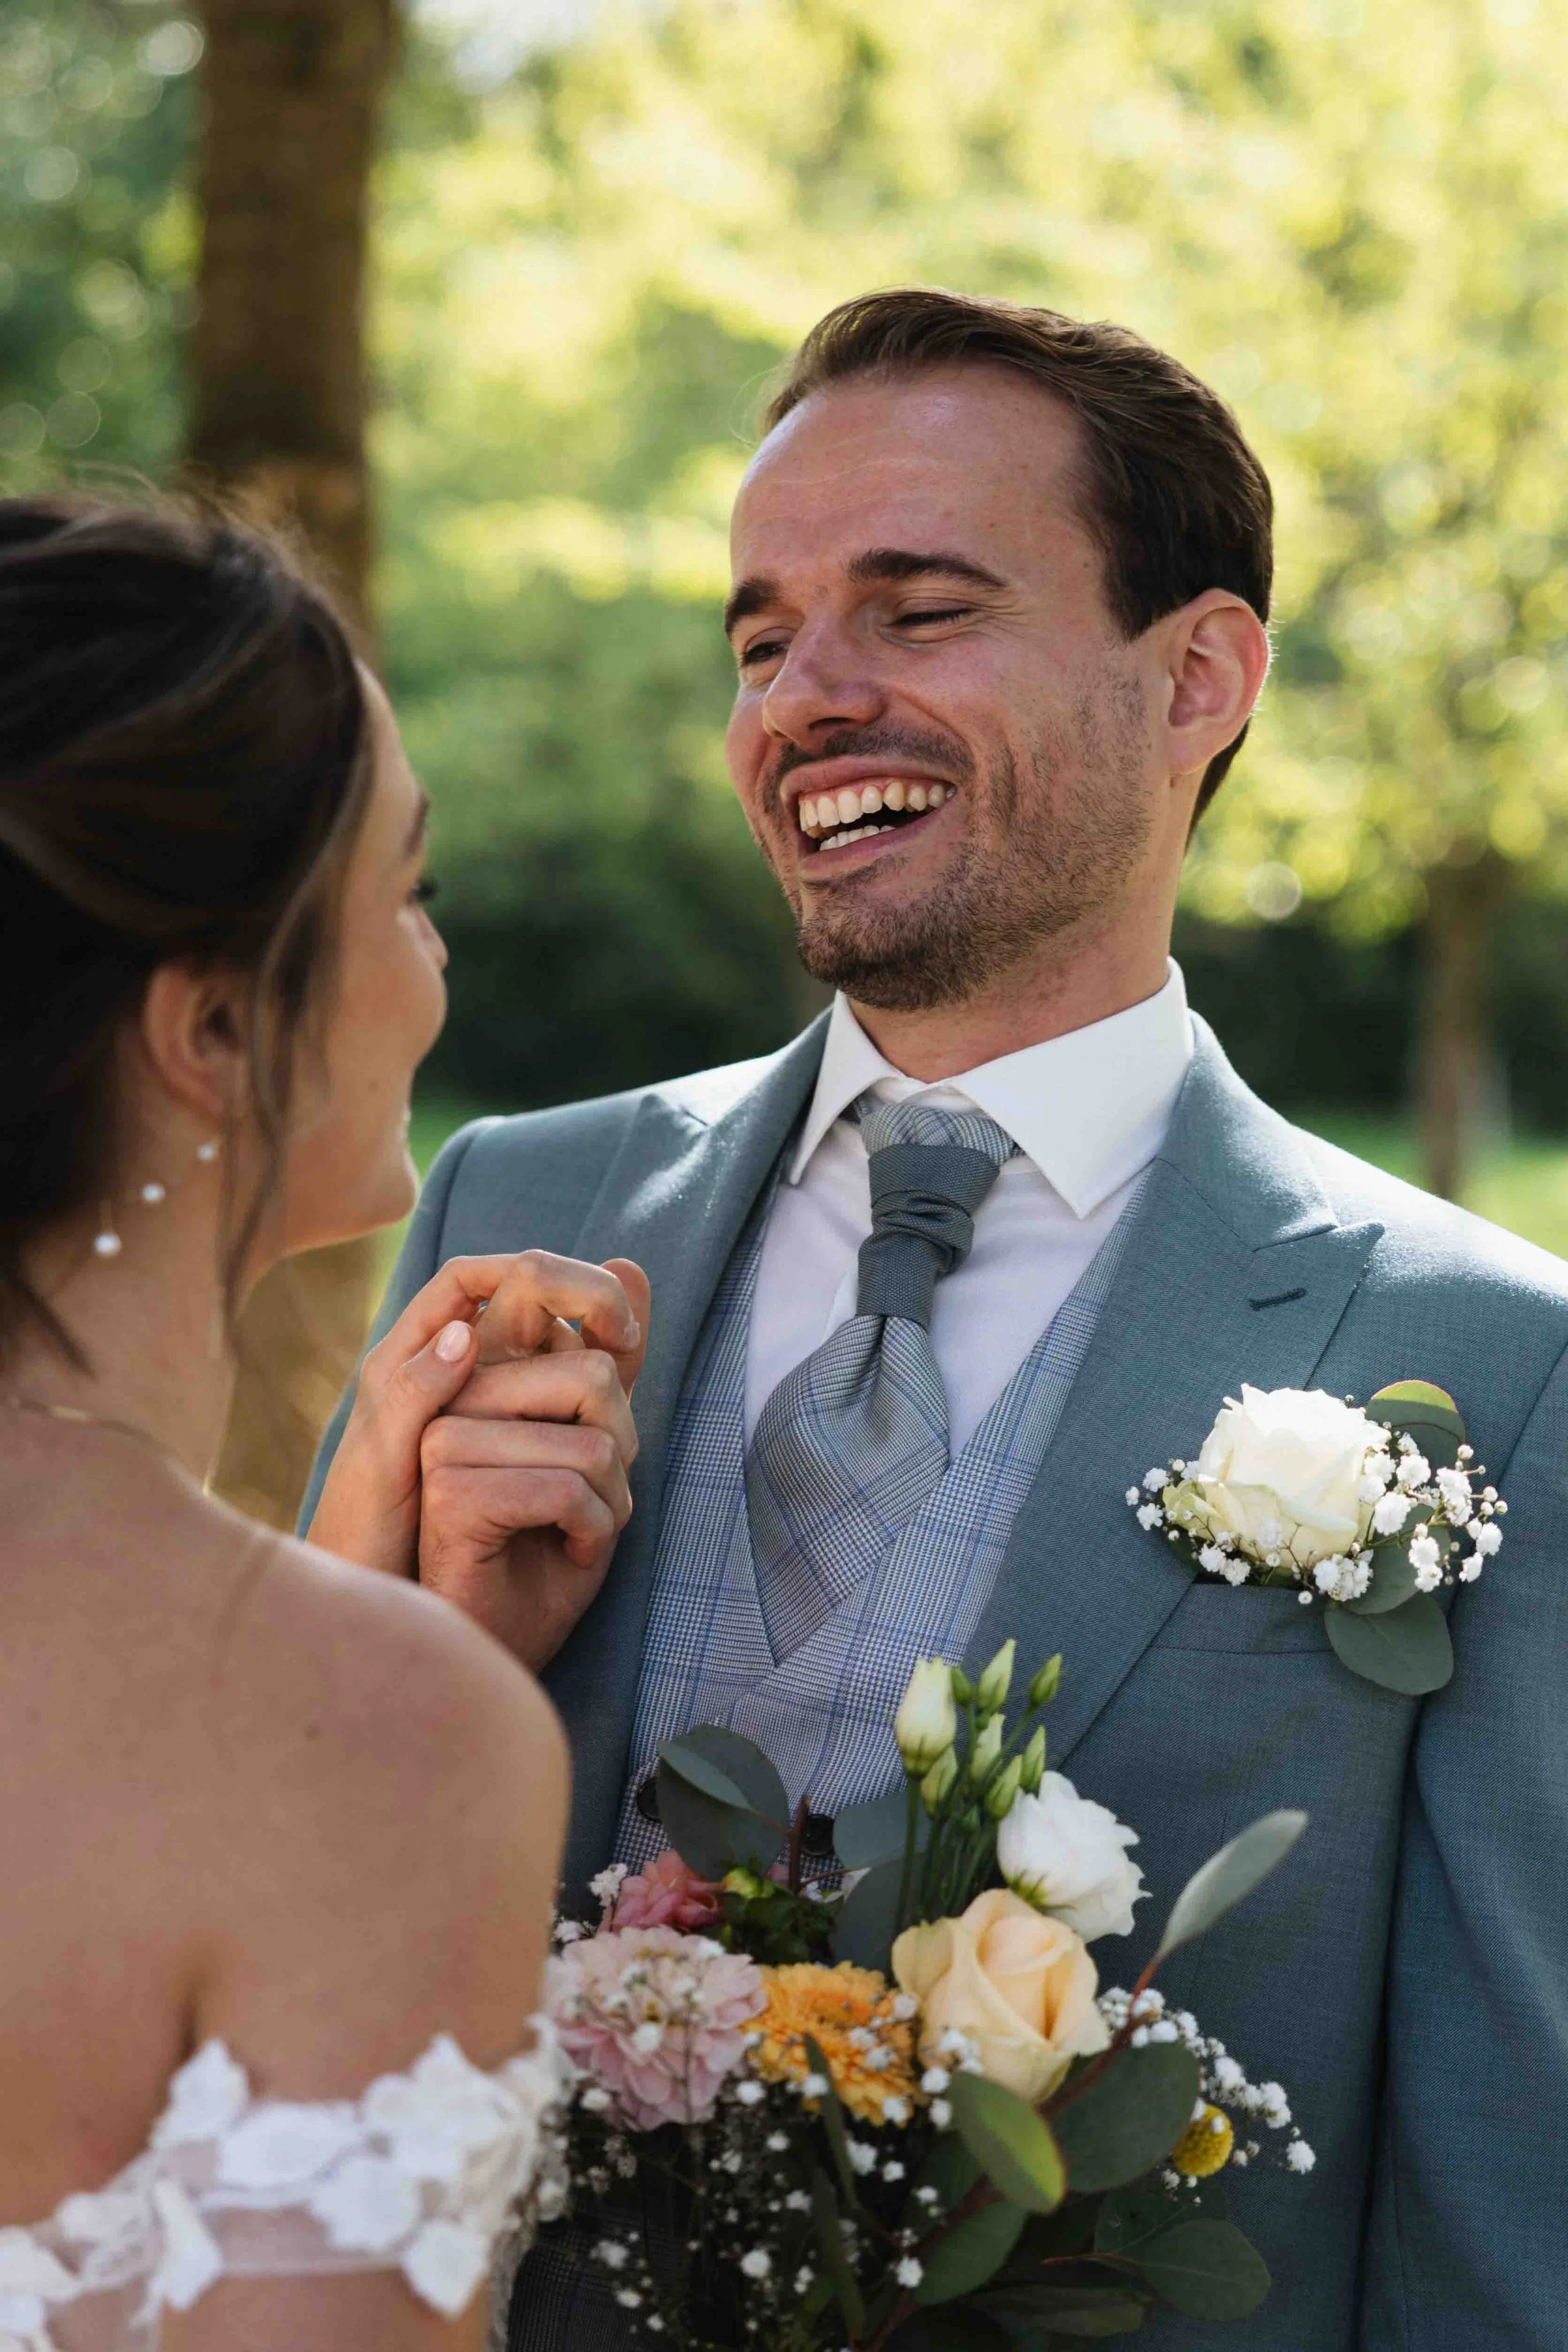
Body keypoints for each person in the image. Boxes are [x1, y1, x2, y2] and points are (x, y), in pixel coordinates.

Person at [310, 289, 1568, 2350]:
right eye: (759, 635)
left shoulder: (1486, 1368)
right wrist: (430, 1653)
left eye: (913, 611)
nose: (803, 697)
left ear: (1196, 677)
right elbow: (265, 1913)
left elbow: (1506, 2180)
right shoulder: (517, 1206)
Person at [0, 495, 649, 2351]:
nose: (436, 966)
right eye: (408, 889)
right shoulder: (385, 1742)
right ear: (210, 1026)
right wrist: (373, 1685)